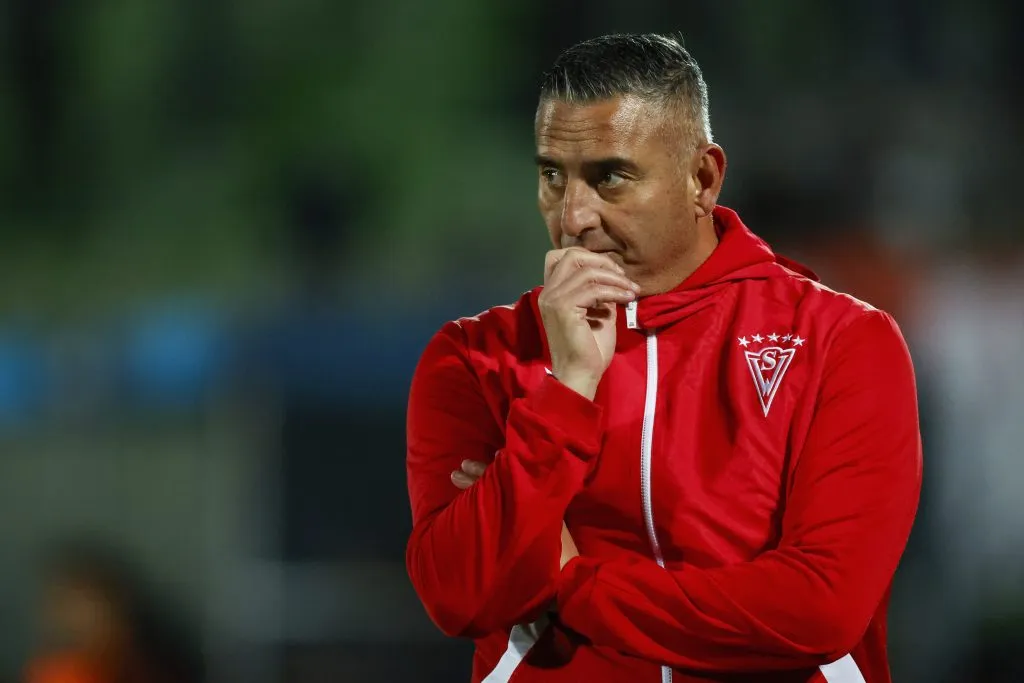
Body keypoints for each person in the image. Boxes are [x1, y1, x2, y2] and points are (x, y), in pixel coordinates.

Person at [405, 33, 922, 683]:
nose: (574, 216)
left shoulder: (841, 342)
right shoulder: (475, 358)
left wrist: (571, 581)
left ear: (702, 179)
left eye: (610, 178)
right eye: (553, 176)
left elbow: (818, 609)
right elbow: (458, 596)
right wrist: (567, 391)